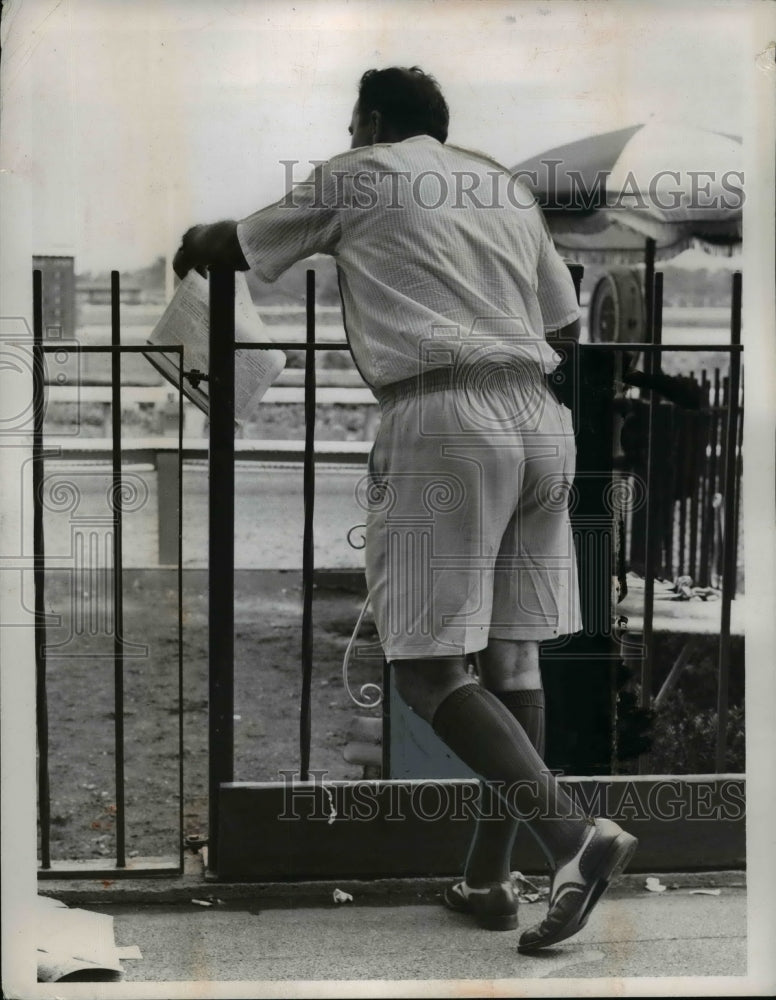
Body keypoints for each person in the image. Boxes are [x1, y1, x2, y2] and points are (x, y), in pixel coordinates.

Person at [173, 66, 637, 953]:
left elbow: (238, 243)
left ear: (375, 119)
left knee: (426, 669)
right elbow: (563, 323)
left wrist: (192, 241)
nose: (348, 138)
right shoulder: (499, 183)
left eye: (353, 123)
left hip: (443, 417)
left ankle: (574, 838)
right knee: (514, 657)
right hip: (540, 419)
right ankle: (489, 880)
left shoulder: (363, 171)